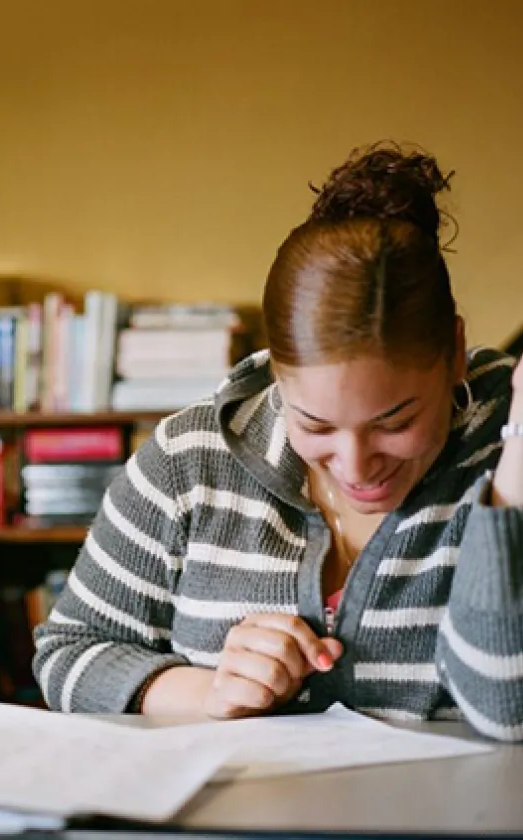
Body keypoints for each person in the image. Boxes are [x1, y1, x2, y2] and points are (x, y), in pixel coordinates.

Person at [33, 143, 523, 740]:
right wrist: (209, 691)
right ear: (276, 377)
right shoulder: (190, 458)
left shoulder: (503, 447)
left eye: (394, 423)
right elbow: (67, 653)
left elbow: (510, 708)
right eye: (315, 425)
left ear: (453, 352)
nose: (356, 465)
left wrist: (513, 482)